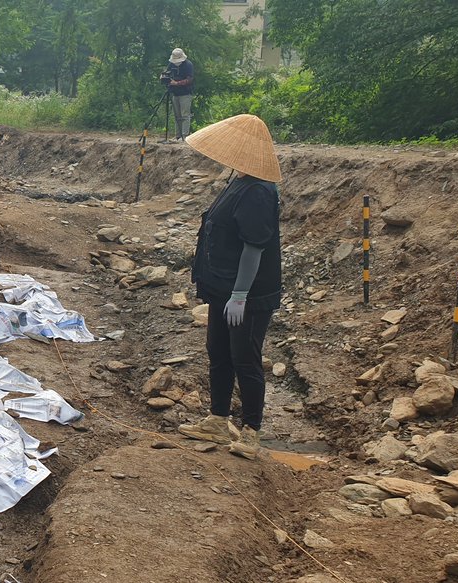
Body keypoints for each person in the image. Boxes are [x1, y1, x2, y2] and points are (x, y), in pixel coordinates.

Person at [178, 114, 283, 460]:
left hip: (247, 296)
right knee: (219, 354)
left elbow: (254, 247)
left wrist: (240, 295)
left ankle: (252, 431)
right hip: (221, 288)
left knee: (245, 359)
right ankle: (219, 419)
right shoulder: (240, 181)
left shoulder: (258, 192)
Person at [166, 48, 194, 140]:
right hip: (175, 93)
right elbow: (167, 73)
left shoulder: (188, 65)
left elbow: (189, 80)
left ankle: (185, 135)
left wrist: (177, 83)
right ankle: (178, 135)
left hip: (185, 93)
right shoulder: (171, 64)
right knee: (177, 115)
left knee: (185, 115)